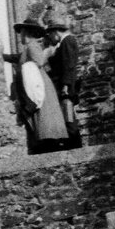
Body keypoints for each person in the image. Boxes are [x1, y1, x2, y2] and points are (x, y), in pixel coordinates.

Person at [4, 17, 68, 153]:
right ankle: (46, 142)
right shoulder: (29, 48)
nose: (20, 35)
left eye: (21, 32)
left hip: (37, 83)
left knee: (44, 115)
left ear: (26, 33)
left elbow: (38, 60)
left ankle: (49, 143)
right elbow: (18, 57)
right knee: (42, 116)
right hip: (36, 83)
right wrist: (4, 56)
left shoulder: (32, 46)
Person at [45, 17, 82, 148]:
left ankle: (74, 144)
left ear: (56, 32)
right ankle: (71, 142)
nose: (50, 38)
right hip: (64, 85)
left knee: (68, 115)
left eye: (50, 34)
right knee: (67, 114)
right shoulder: (64, 42)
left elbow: (69, 65)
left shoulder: (67, 41)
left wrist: (66, 85)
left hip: (66, 87)